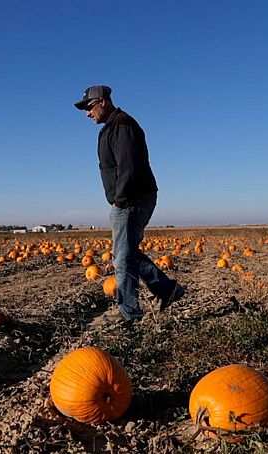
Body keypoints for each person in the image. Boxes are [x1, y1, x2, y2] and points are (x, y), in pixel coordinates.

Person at [74, 85, 185, 322]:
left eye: (89, 107)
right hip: (131, 197)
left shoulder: (122, 125)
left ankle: (129, 313)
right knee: (127, 252)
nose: (87, 113)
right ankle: (168, 290)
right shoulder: (113, 126)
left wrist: (120, 200)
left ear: (102, 101)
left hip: (132, 199)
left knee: (123, 256)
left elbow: (129, 165)